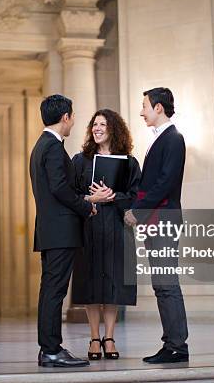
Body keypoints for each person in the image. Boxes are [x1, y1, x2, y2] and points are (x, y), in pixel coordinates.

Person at [29, 94, 104, 368]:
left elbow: (58, 188)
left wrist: (86, 200)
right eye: (72, 117)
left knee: (51, 290)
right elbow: (59, 188)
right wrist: (86, 207)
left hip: (52, 230)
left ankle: (49, 349)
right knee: (54, 291)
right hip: (60, 230)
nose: (73, 122)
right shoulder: (51, 147)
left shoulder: (43, 145)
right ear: (65, 117)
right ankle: (50, 350)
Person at [124, 87, 189, 364]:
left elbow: (165, 183)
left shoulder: (173, 138)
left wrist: (137, 210)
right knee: (161, 285)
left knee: (167, 284)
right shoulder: (160, 138)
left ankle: (177, 346)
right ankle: (171, 344)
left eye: (144, 106)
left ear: (158, 108)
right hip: (157, 220)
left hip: (163, 219)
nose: (141, 112)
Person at [71, 109, 140, 361]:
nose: (97, 128)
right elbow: (70, 195)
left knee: (112, 284)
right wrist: (92, 197)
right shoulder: (80, 160)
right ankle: (93, 337)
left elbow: (136, 196)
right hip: (88, 227)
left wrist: (112, 195)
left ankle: (109, 337)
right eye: (94, 124)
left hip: (117, 228)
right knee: (91, 284)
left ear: (114, 129)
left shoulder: (129, 162)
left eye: (103, 124)